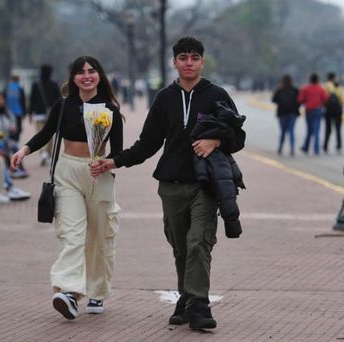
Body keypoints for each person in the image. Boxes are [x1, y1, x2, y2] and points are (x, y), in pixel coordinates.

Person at [90, 36, 245, 331]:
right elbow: (148, 143)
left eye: (195, 58)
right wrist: (114, 161)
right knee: (181, 247)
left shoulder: (217, 95)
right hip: (171, 184)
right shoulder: (164, 98)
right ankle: (186, 297)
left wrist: (215, 140)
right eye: (183, 57)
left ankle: (199, 305)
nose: (189, 63)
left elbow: (238, 137)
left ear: (202, 62)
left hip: (205, 184)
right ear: (174, 62)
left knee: (199, 242)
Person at [10, 56, 124, 320]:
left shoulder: (109, 109)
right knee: (71, 233)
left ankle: (97, 291)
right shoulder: (63, 105)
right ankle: (70, 292)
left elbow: (118, 151)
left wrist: (108, 163)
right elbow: (46, 133)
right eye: (80, 72)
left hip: (98, 173)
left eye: (91, 71)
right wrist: (24, 150)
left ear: (99, 75)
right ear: (73, 78)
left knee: (99, 236)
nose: (86, 76)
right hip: (67, 171)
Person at [29, 64, 61, 166]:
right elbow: (59, 100)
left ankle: (43, 153)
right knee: (50, 135)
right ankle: (48, 154)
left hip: (39, 114)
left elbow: (32, 100)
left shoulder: (36, 85)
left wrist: (30, 113)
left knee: (40, 133)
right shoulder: (54, 84)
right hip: (51, 114)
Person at [298, 73, 328, 155]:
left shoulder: (306, 88)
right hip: (318, 110)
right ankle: (316, 149)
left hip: (309, 110)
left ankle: (306, 147)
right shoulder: (320, 89)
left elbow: (300, 99)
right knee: (317, 130)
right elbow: (325, 98)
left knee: (309, 130)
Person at [271, 74, 300, 156]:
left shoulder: (279, 90)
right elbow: (299, 101)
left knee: (283, 132)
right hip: (293, 113)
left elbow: (273, 100)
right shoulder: (295, 90)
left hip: (282, 113)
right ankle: (292, 149)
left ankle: (280, 148)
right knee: (291, 131)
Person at [323, 72, 344, 153]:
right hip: (338, 111)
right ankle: (339, 145)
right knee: (338, 129)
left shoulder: (325, 86)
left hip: (328, 110)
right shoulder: (339, 88)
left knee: (328, 129)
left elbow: (324, 98)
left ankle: (325, 145)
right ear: (334, 78)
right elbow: (342, 100)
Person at [4, 75, 27, 141]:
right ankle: (16, 139)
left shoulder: (7, 87)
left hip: (8, 111)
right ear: (18, 80)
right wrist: (24, 112)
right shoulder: (20, 88)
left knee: (10, 126)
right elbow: (23, 101)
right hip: (18, 111)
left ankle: (11, 138)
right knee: (18, 127)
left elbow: (4, 98)